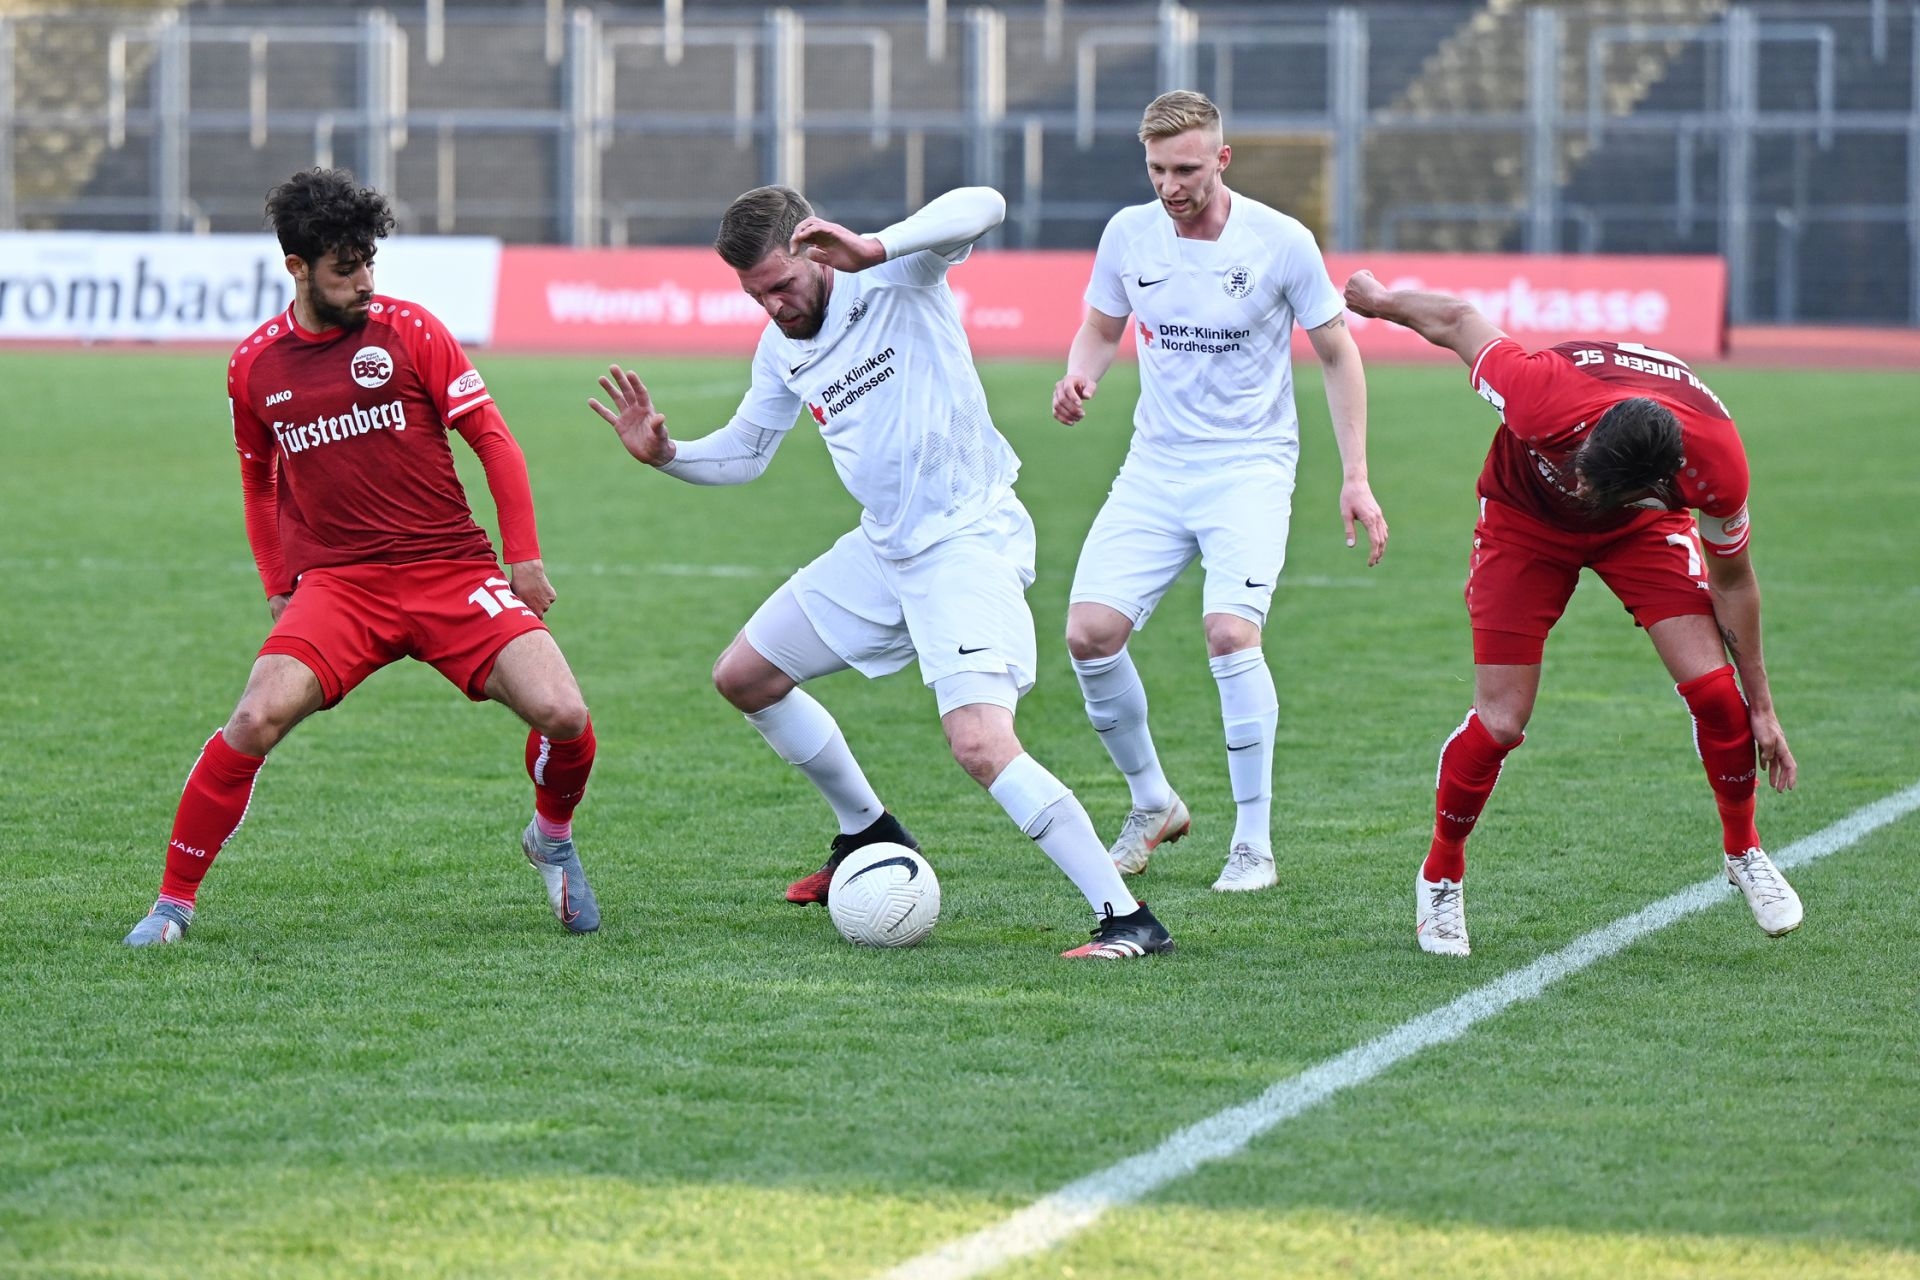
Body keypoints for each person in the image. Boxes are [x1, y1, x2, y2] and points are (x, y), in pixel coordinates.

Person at [588, 183, 1172, 959]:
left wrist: (876, 247)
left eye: (780, 285)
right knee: (745, 676)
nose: (772, 307)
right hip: (884, 548)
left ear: (812, 249)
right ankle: (868, 829)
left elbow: (987, 203)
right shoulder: (780, 346)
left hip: (966, 541)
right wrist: (669, 455)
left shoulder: (896, 273)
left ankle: (1128, 919)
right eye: (755, 296)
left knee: (980, 743)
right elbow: (747, 452)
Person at [123, 168, 600, 945]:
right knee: (254, 717)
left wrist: (525, 557)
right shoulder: (255, 365)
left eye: (370, 262)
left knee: (565, 714)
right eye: (346, 269)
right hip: (342, 588)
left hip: (451, 571)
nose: (366, 282)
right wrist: (278, 583)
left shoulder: (411, 331)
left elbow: (493, 440)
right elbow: (258, 482)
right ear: (298, 268)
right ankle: (172, 904)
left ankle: (551, 836)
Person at [1341, 268, 1803, 956]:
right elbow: (1459, 320)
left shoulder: (1715, 467)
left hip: (1640, 534)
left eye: (1594, 482)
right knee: (1501, 720)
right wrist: (1381, 302)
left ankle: (1744, 852)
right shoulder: (1541, 396)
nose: (1579, 482)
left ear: (1660, 484)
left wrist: (1762, 706)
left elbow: (1733, 582)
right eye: (1577, 464)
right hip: (1523, 521)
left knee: (1719, 694)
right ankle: (1441, 874)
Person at [1052, 90, 1388, 893]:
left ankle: (1252, 844)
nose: (1170, 186)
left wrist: (1356, 477)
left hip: (1249, 467)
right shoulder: (1128, 234)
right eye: (1157, 170)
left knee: (1231, 635)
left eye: (1186, 170)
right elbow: (1101, 328)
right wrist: (1080, 375)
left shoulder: (1280, 241)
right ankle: (1152, 802)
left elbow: (1338, 353)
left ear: (1222, 160)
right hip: (1155, 466)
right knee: (1089, 635)